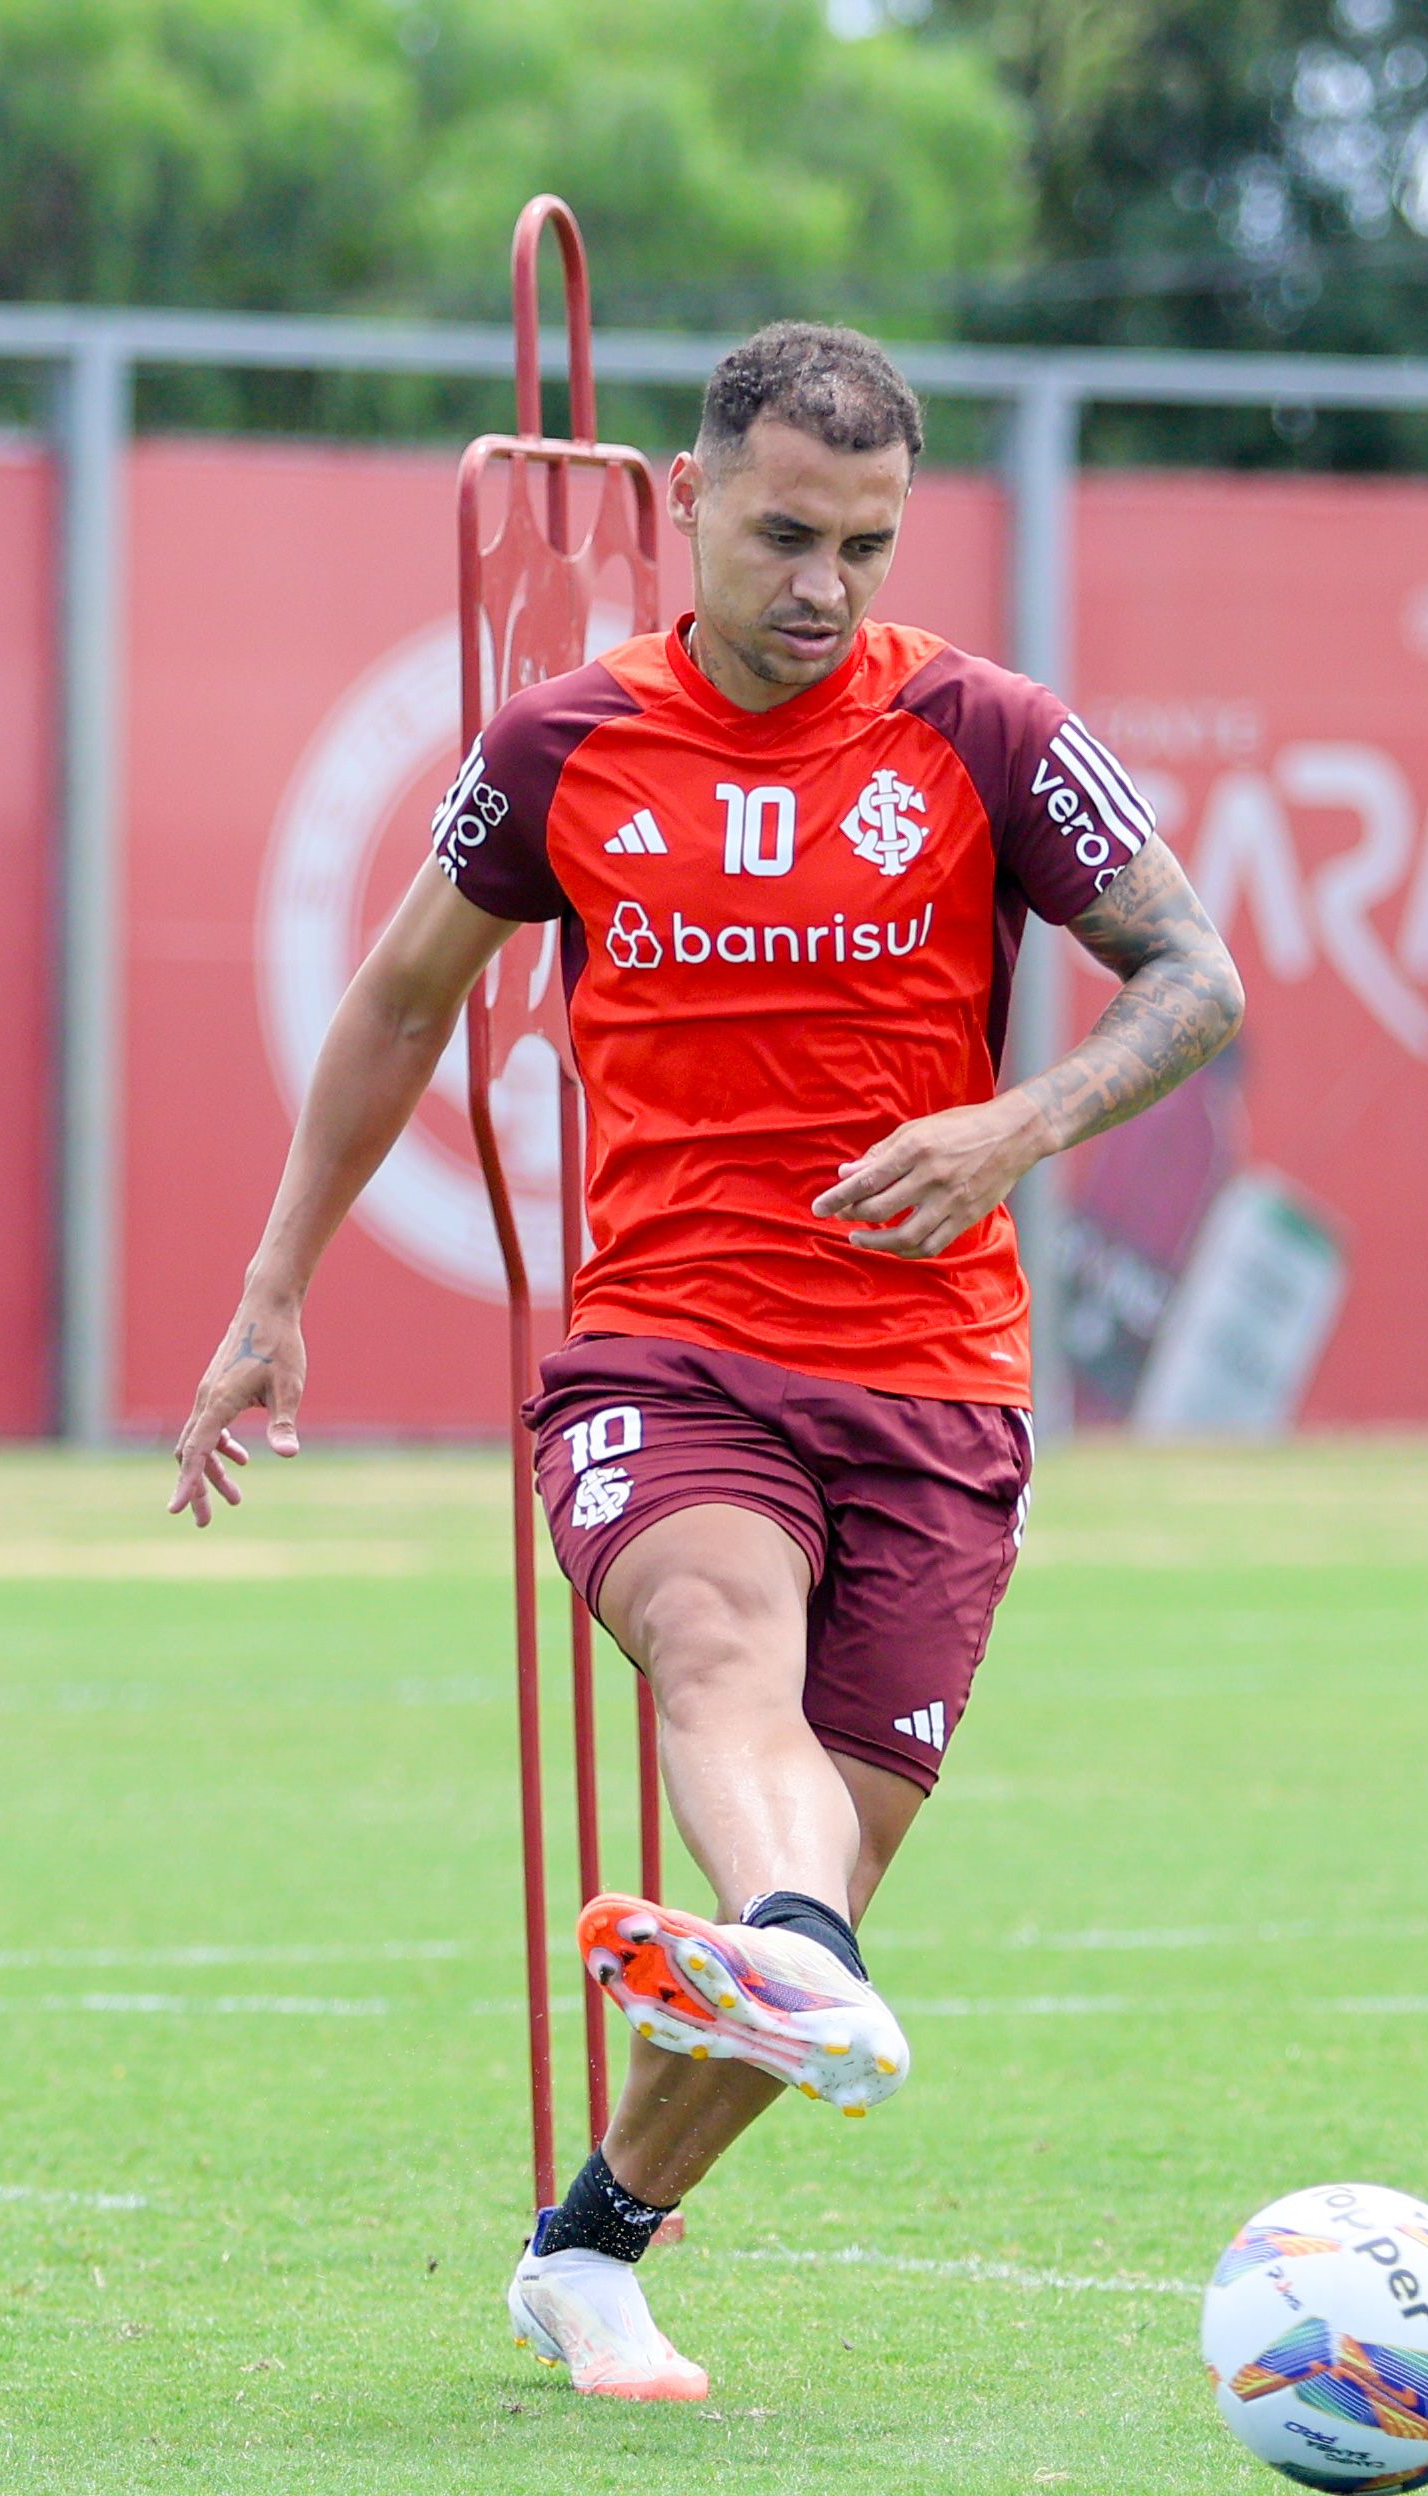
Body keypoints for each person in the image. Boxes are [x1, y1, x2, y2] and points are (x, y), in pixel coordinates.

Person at [166, 320, 1243, 2401]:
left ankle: (593, 2244)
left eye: (861, 541)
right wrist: (273, 1285)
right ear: (683, 503)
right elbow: (399, 1006)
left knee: (814, 1865)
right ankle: (803, 1948)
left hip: (938, 1387)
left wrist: (1020, 1128)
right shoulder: (563, 746)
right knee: (720, 1652)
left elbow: (1192, 980)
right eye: (778, 533)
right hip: (669, 1354)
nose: (819, 582)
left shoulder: (985, 731)